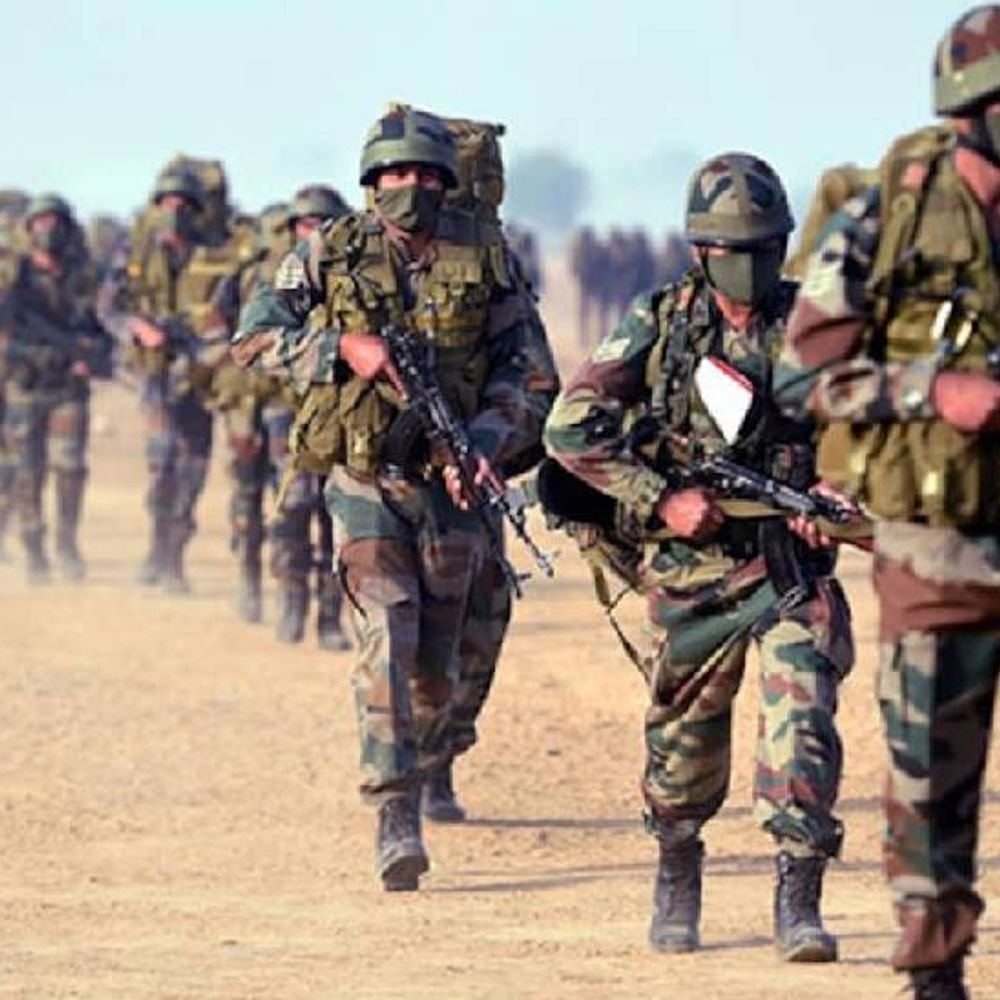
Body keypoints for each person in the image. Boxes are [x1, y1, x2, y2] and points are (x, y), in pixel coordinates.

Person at [544, 153, 854, 960]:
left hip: (788, 565)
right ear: (699, 251)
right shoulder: (660, 322)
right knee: (683, 751)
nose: (749, 265)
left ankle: (799, 898)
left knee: (803, 719)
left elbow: (864, 424)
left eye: (764, 248)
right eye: (731, 250)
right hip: (691, 572)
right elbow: (570, 428)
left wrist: (839, 486)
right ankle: (677, 867)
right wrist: (659, 498)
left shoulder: (815, 323)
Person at [233, 107, 548, 891]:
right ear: (372, 182)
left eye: (425, 175)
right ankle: (394, 807)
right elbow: (252, 339)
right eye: (395, 174)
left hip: (455, 484)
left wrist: (485, 441)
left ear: (445, 182)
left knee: (450, 655)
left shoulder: (487, 256)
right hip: (365, 480)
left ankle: (435, 757)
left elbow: (528, 371)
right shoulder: (330, 250)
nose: (410, 187)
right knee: (388, 630)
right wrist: (341, 348)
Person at [773, 8, 1000, 996]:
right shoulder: (889, 214)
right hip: (934, 541)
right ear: (970, 110)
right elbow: (802, 373)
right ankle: (934, 971)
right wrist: (929, 390)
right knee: (930, 775)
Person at [99, 167, 239, 593]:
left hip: (200, 376)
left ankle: (174, 557)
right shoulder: (135, 251)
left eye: (183, 204)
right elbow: (108, 308)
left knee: (193, 469)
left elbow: (236, 316)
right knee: (162, 463)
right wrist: (137, 328)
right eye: (167, 203)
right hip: (154, 373)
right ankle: (157, 550)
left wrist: (212, 347)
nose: (175, 210)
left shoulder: (216, 256)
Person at [0, 194, 111, 582]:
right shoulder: (14, 278)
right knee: (26, 471)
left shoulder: (84, 278)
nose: (49, 231)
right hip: (24, 386)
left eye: (55, 222)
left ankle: (66, 543)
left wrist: (90, 357)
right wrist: (34, 354)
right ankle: (33, 546)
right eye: (41, 223)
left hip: (68, 387)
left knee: (70, 467)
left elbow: (103, 327)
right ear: (29, 229)